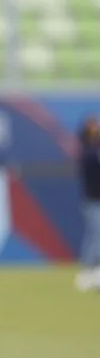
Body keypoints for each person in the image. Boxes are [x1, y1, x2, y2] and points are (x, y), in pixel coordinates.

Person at [77, 115, 100, 287]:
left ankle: (92, 269)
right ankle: (89, 270)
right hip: (93, 200)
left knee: (94, 235)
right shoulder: (88, 152)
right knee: (96, 234)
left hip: (94, 199)